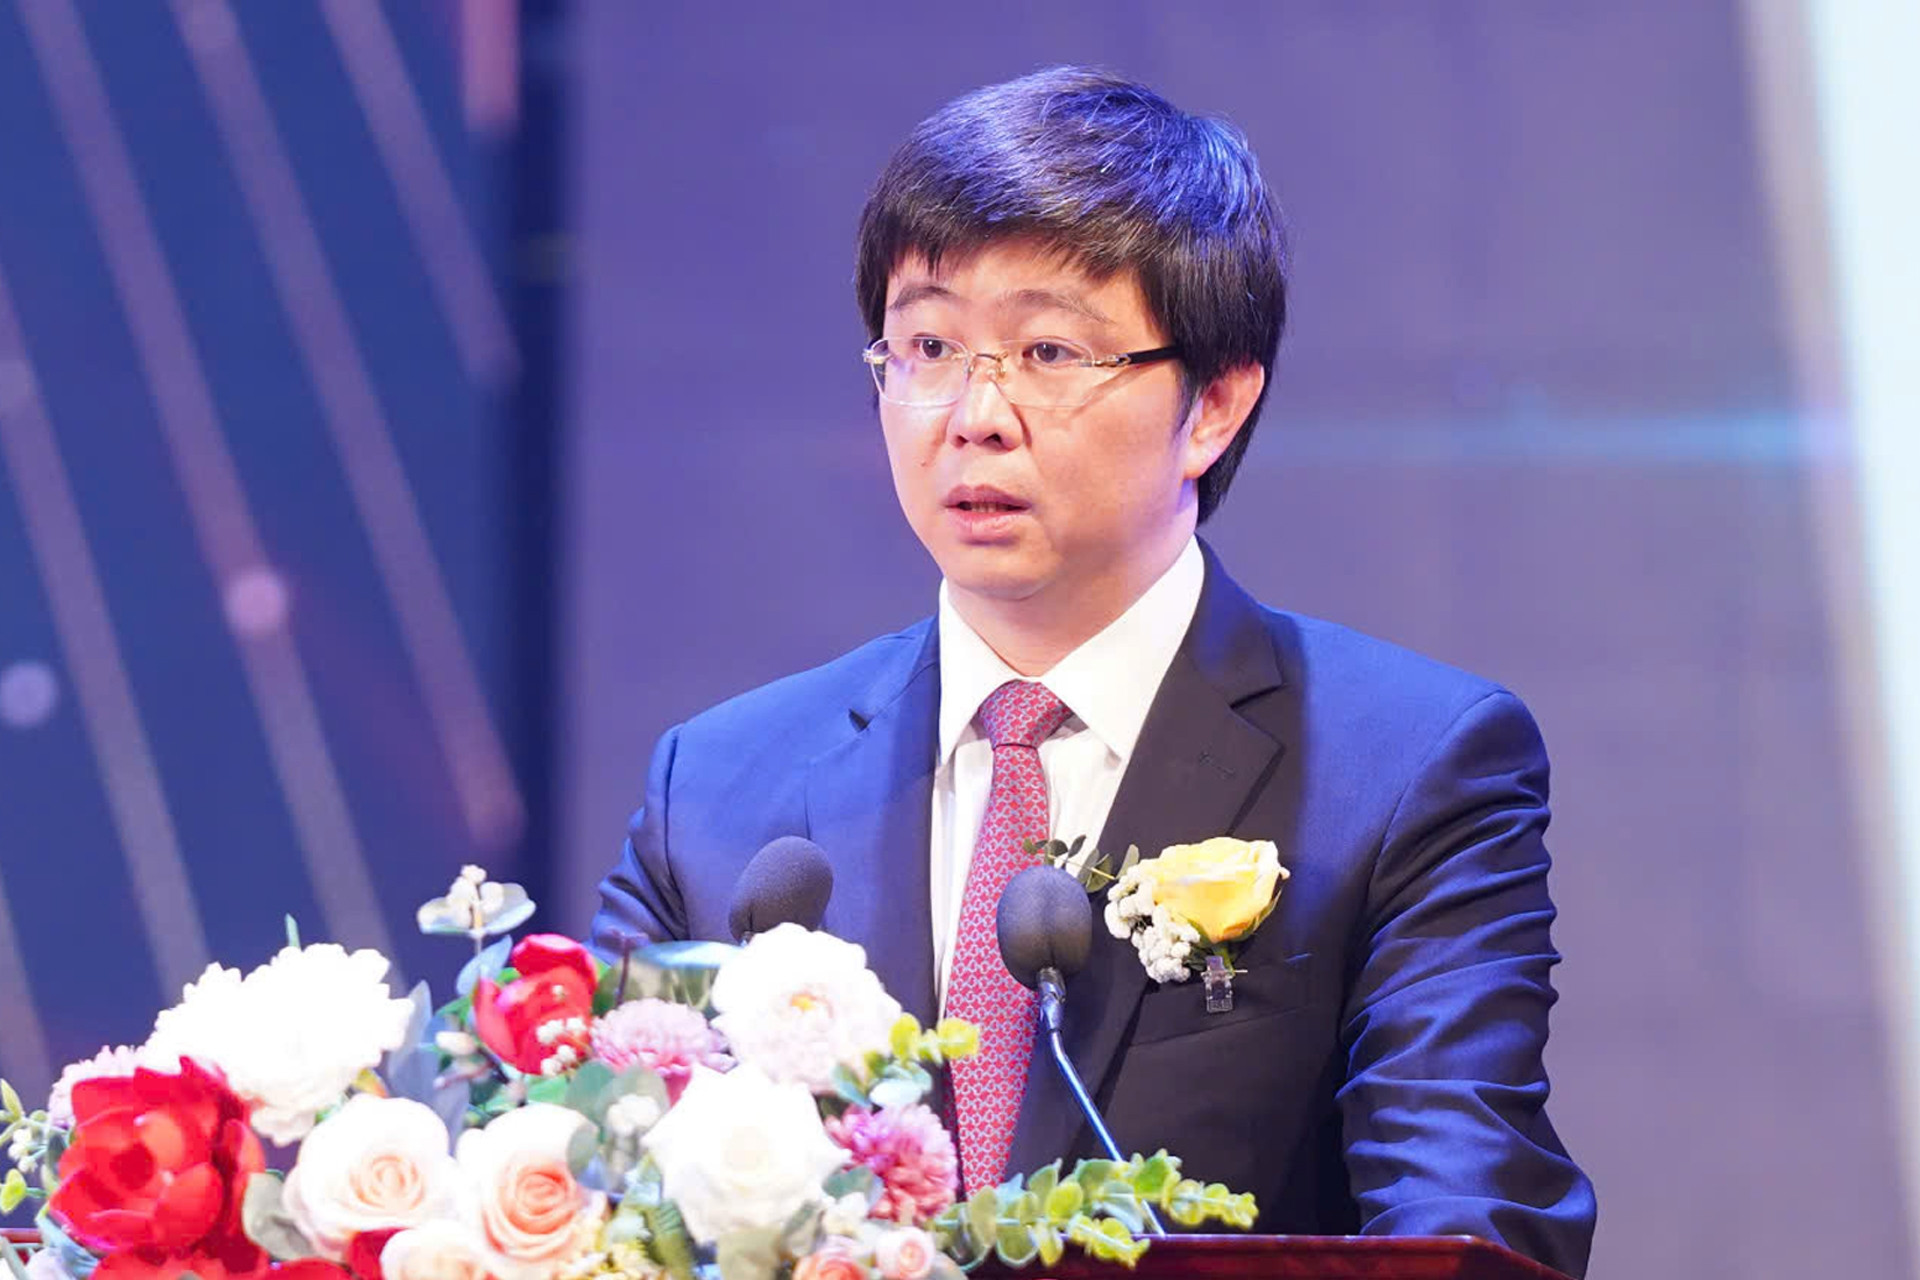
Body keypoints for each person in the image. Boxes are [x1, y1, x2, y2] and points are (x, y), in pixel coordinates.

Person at [592, 66, 1596, 1277]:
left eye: (1049, 349)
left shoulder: (1409, 768)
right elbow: (601, 1197)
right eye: (928, 344)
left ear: (1214, 404)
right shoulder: (717, 793)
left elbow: (1462, 1221)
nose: (975, 412)